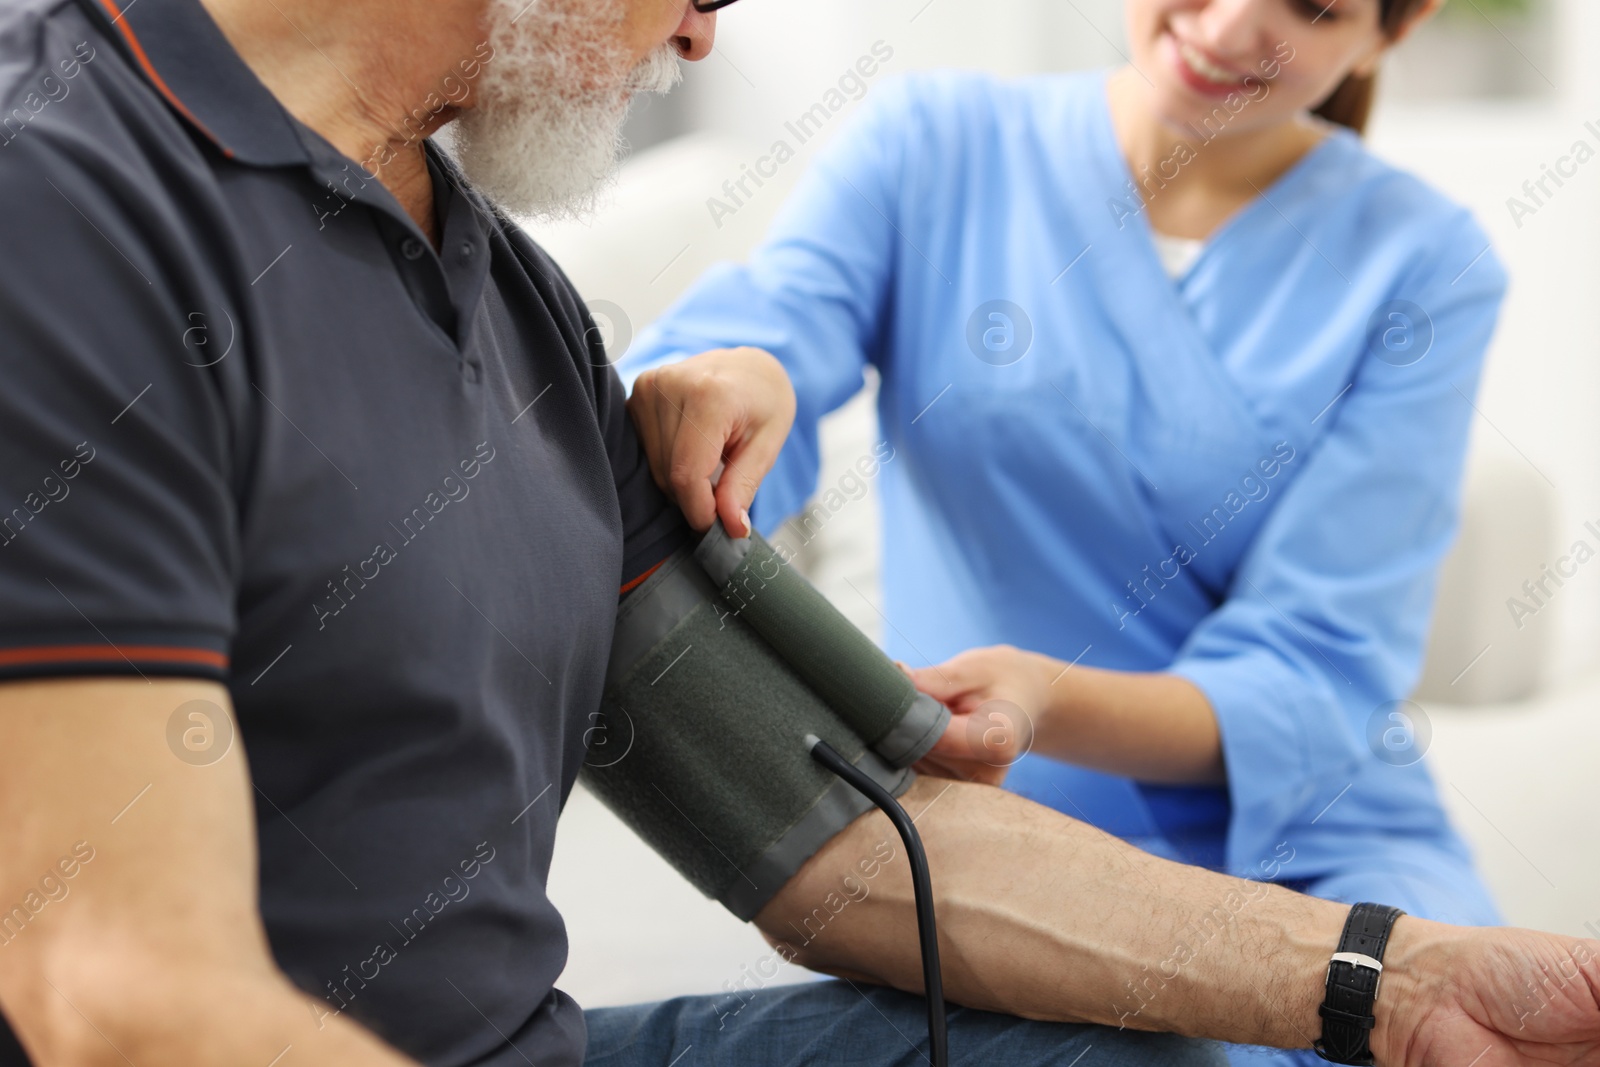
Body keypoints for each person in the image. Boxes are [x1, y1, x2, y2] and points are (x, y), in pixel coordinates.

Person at [1, 2, 1597, 1067]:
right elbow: (121, 1000)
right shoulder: (60, 197)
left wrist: (1396, 980)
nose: (702, 30)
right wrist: (757, 361)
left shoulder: (512, 295)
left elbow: (845, 840)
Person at [625, 1, 1507, 1061]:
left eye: (1311, 5)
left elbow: (1317, 668)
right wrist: (748, 371)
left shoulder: (1427, 261)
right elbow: (774, 330)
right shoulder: (934, 144)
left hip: (1323, 839)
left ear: (1386, 36)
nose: (1229, 27)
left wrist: (1047, 696)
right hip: (1018, 845)